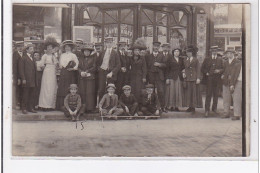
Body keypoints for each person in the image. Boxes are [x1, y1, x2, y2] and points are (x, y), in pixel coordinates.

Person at [201, 46, 224, 117]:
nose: (214, 52)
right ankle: (207, 110)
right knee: (208, 94)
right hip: (209, 79)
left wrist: (219, 71)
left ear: (217, 51)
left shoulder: (220, 59)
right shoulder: (207, 59)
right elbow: (202, 68)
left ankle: (214, 109)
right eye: (213, 50)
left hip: (217, 79)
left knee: (216, 94)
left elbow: (223, 68)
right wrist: (206, 72)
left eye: (216, 50)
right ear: (211, 51)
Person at [56, 40, 79, 110]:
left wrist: (73, 69)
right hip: (63, 73)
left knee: (68, 87)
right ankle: (61, 106)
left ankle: (69, 106)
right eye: (66, 47)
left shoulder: (73, 55)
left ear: (71, 48)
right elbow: (60, 65)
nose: (67, 48)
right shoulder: (62, 55)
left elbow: (77, 64)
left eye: (68, 47)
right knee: (62, 88)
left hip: (70, 73)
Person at [38, 36, 59, 111]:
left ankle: (51, 105)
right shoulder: (45, 55)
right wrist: (44, 67)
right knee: (46, 88)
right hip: (47, 72)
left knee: (52, 88)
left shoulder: (54, 56)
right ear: (46, 48)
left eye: (51, 47)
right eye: (48, 47)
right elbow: (41, 64)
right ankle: (44, 105)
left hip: (53, 72)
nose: (49, 49)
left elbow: (57, 64)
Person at [145, 41, 167, 112]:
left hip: (159, 76)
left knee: (161, 91)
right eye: (155, 46)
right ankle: (153, 106)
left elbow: (166, 65)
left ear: (159, 47)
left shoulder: (162, 56)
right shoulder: (148, 56)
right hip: (151, 76)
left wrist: (159, 64)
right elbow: (146, 67)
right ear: (153, 47)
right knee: (151, 91)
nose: (156, 48)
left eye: (158, 46)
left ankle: (162, 107)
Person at [221, 49, 242, 120]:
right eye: (227, 54)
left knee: (236, 98)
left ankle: (237, 114)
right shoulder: (225, 62)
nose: (229, 55)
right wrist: (223, 75)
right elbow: (224, 70)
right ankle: (226, 112)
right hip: (226, 82)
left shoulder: (238, 62)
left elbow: (236, 74)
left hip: (236, 82)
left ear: (233, 54)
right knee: (226, 98)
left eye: (230, 53)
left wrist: (232, 84)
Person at [182, 45, 203, 113]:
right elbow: (183, 68)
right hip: (187, 78)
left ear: (192, 53)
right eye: (187, 52)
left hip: (194, 78)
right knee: (188, 93)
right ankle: (189, 106)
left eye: (190, 52)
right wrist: (183, 72)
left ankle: (193, 107)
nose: (188, 54)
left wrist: (198, 78)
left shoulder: (195, 59)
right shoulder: (185, 60)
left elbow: (198, 69)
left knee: (194, 93)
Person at [18, 43, 37, 114]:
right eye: (31, 49)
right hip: (26, 80)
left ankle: (30, 108)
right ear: (27, 50)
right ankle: (24, 108)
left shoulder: (33, 58)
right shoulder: (23, 58)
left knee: (31, 94)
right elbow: (21, 69)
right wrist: (23, 78)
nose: (32, 50)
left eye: (33, 49)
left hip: (32, 80)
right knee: (25, 94)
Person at [78, 44, 97, 113]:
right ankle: (83, 108)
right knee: (82, 92)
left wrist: (87, 71)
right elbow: (78, 67)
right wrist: (81, 72)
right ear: (83, 52)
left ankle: (90, 108)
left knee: (89, 92)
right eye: (85, 51)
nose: (86, 53)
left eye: (88, 51)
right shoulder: (80, 59)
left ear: (90, 52)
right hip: (82, 77)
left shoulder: (93, 58)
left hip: (90, 77)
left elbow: (94, 67)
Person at [13, 41, 24, 109]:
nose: (20, 48)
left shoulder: (24, 54)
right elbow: (15, 67)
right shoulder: (15, 54)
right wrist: (18, 78)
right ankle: (16, 104)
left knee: (23, 90)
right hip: (18, 76)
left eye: (21, 46)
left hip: (24, 76)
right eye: (19, 47)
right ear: (17, 47)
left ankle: (21, 104)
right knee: (17, 90)